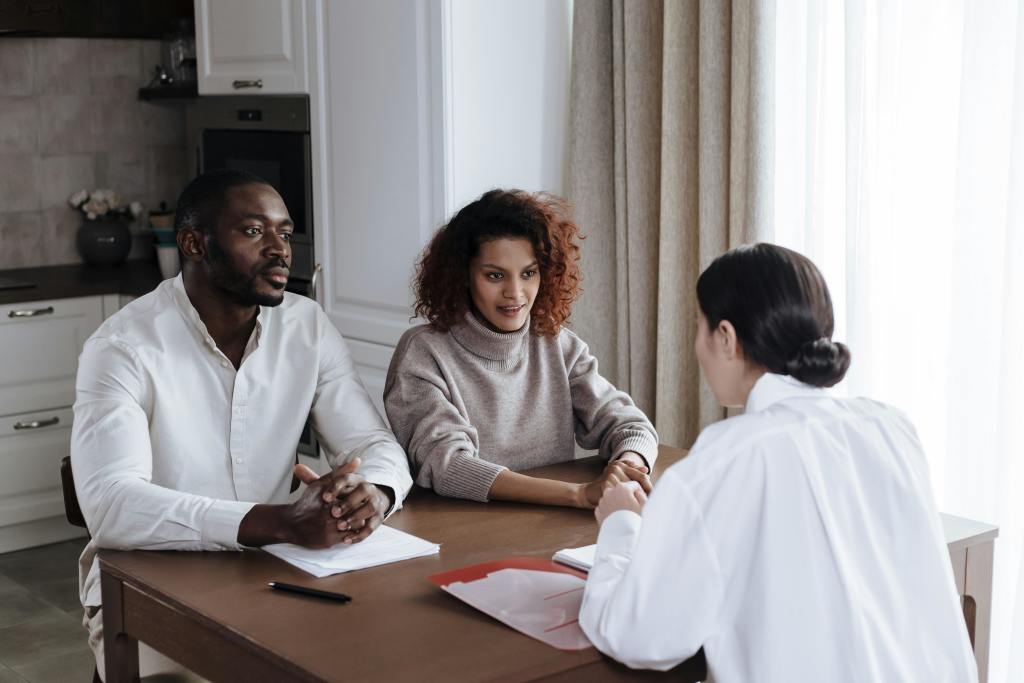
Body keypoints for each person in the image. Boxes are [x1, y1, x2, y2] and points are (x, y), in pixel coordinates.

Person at [578, 243, 977, 682]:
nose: (696, 347)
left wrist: (620, 524)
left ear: (726, 337)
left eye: (699, 326)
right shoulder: (890, 427)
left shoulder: (728, 457)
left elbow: (638, 636)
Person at [72, 169, 413, 681]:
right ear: (194, 243)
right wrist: (277, 521)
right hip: (148, 590)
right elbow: (111, 505)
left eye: (284, 230)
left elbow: (370, 442)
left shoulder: (307, 327)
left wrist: (375, 491)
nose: (280, 249)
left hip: (276, 575)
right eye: (254, 231)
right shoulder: (121, 348)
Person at [384, 189, 658, 508]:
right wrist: (578, 494)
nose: (515, 293)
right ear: (463, 276)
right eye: (495, 275)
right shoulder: (423, 353)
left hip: (550, 529)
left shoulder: (559, 345)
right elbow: (448, 466)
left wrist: (627, 465)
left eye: (528, 273)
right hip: (460, 532)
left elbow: (631, 425)